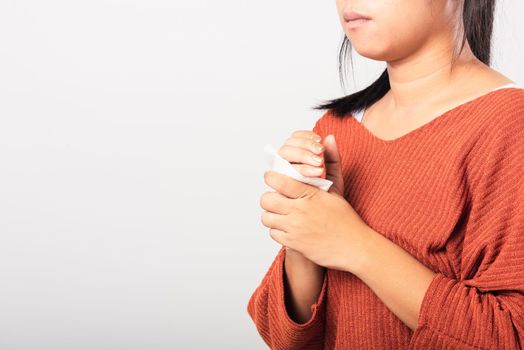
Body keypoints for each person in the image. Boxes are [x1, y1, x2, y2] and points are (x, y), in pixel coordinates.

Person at [247, 0, 524, 349]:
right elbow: (286, 339)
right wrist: (304, 236)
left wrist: (355, 245)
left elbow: (511, 336)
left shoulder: (511, 125)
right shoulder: (336, 128)